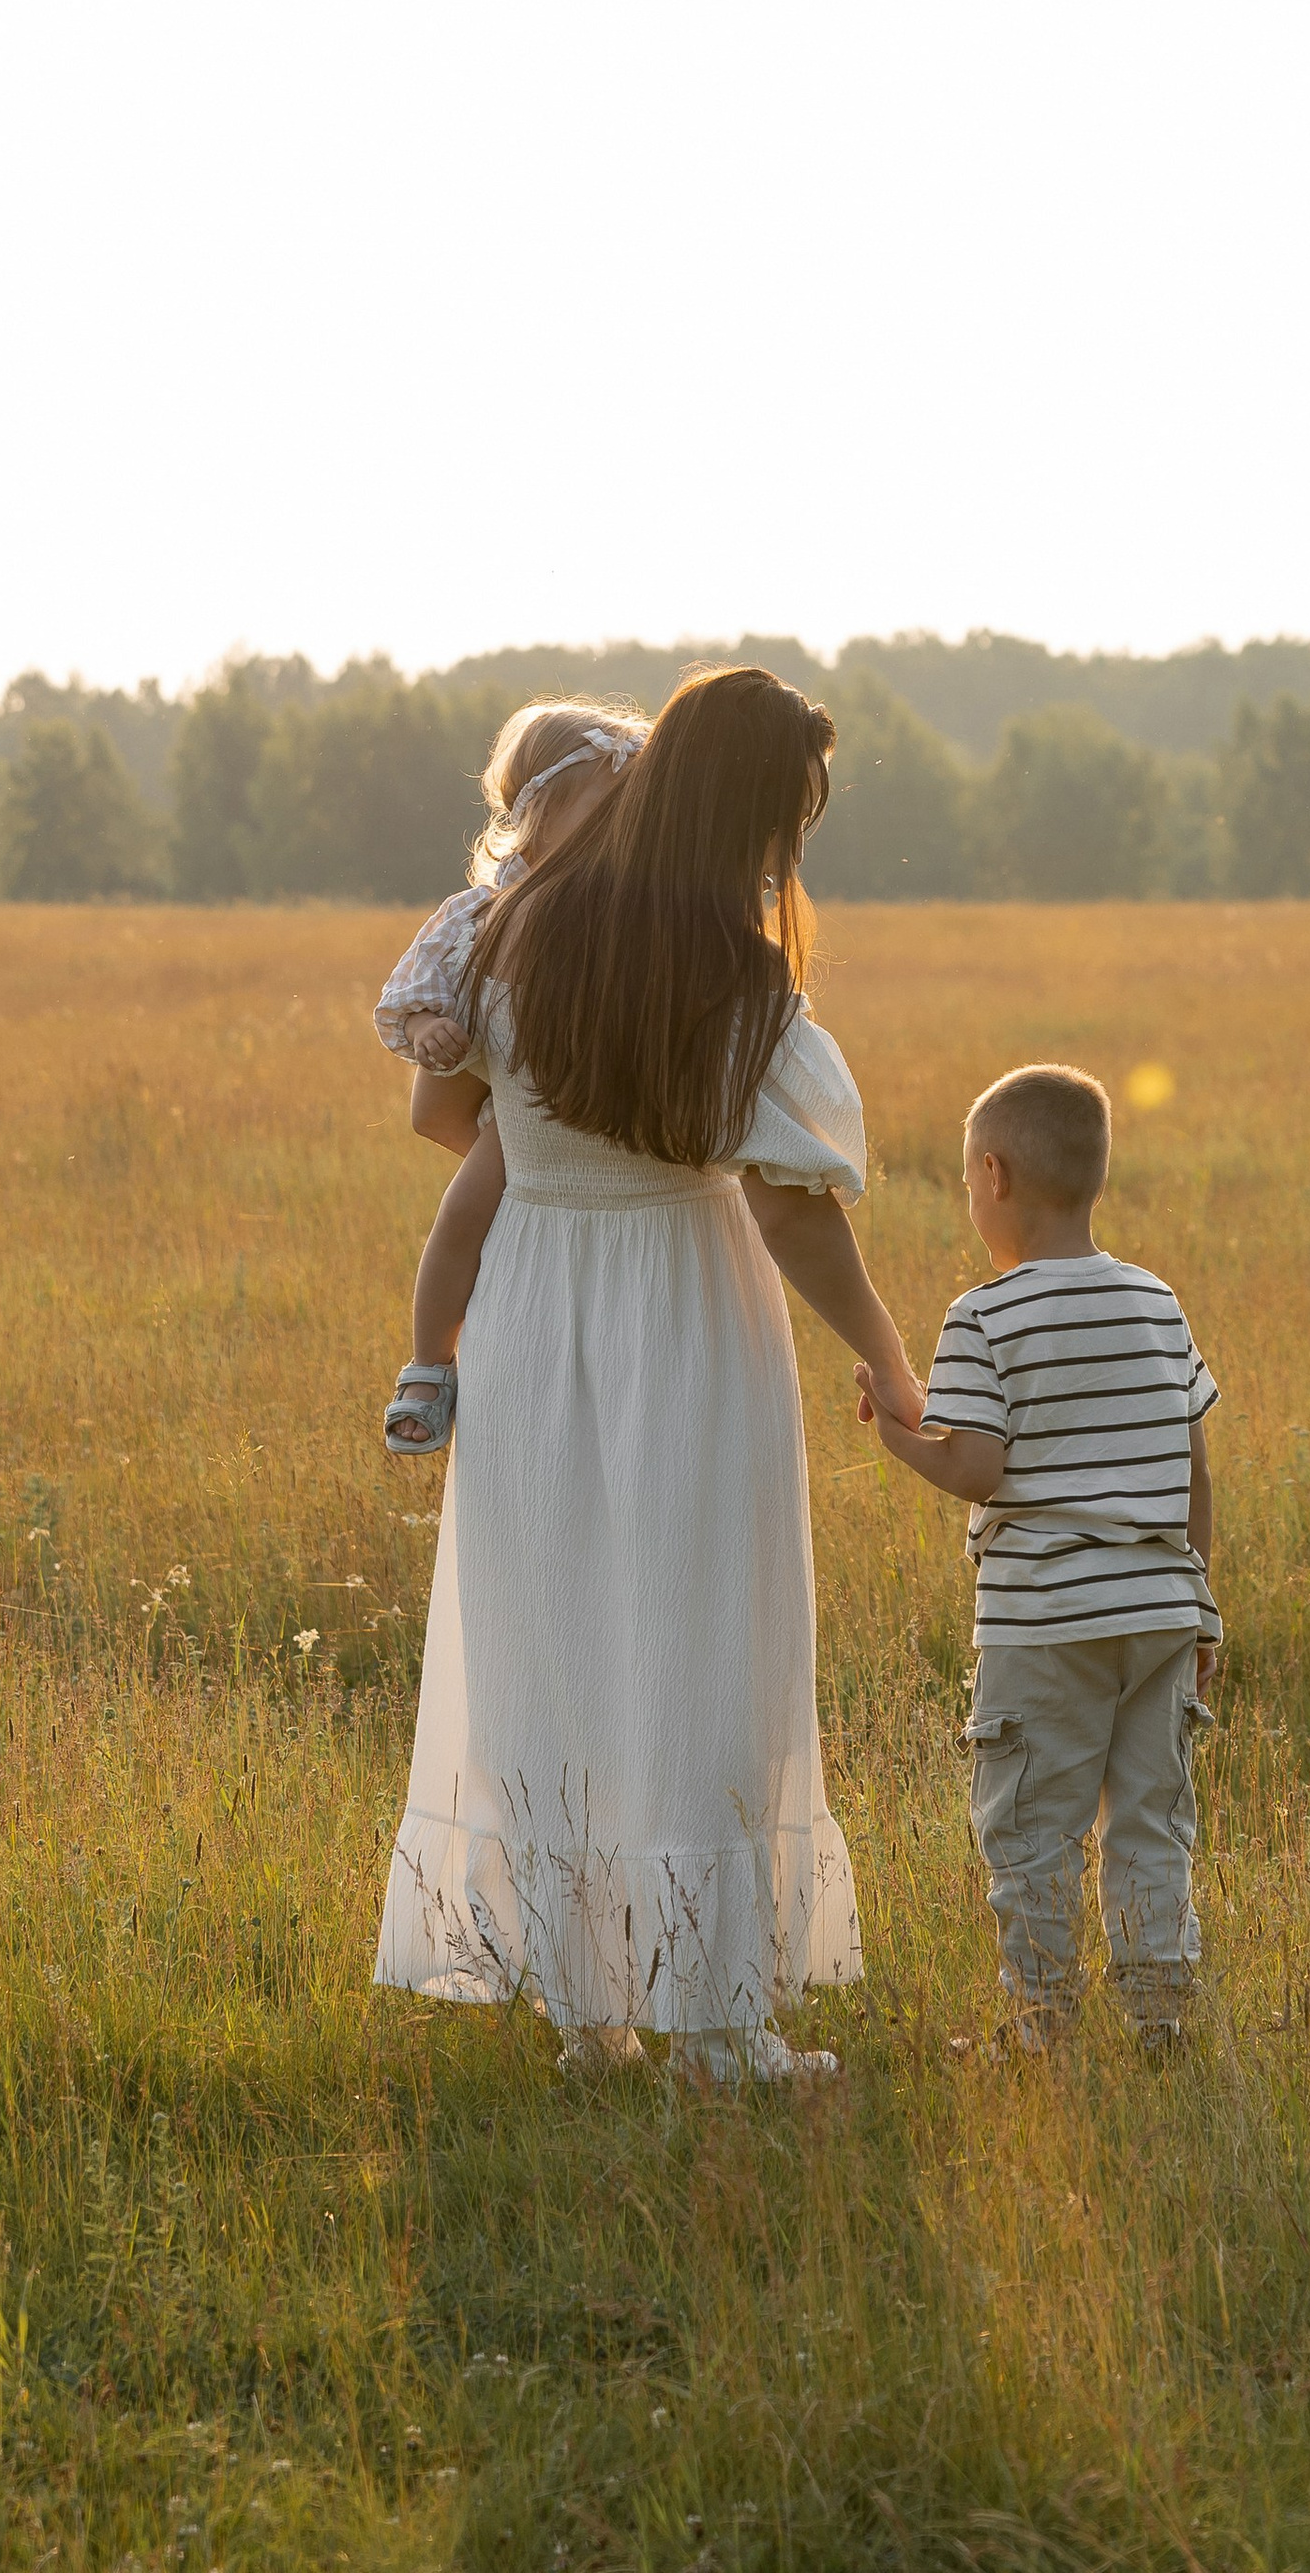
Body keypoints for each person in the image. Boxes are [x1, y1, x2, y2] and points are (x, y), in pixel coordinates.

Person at [374, 665, 925, 2086]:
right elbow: (794, 1210)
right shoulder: (733, 971)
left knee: (551, 1642)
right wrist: (885, 1348)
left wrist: (559, 1166)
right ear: (759, 812)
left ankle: (589, 2013)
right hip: (682, 1304)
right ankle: (716, 2025)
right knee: (699, 1644)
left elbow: (447, 1108)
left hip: (530, 1306)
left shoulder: (519, 927)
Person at [856, 1062, 1220, 2047]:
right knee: (1151, 1822)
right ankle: (1158, 2020)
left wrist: (896, 1433)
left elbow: (977, 1467)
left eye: (966, 1182)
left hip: (1045, 1621)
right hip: (1158, 1613)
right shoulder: (1156, 1302)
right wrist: (1203, 1608)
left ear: (993, 1174)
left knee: (1030, 1828)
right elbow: (1192, 1467)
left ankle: (1044, 2021)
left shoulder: (985, 1315)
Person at [372, 701, 648, 1455]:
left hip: (600, 1138)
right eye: (606, 799)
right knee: (461, 1220)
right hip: (520, 1120)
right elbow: (418, 1001)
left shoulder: (639, 904)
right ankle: (429, 1364)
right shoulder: (481, 914)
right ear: (541, 808)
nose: (626, 816)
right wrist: (431, 1031)